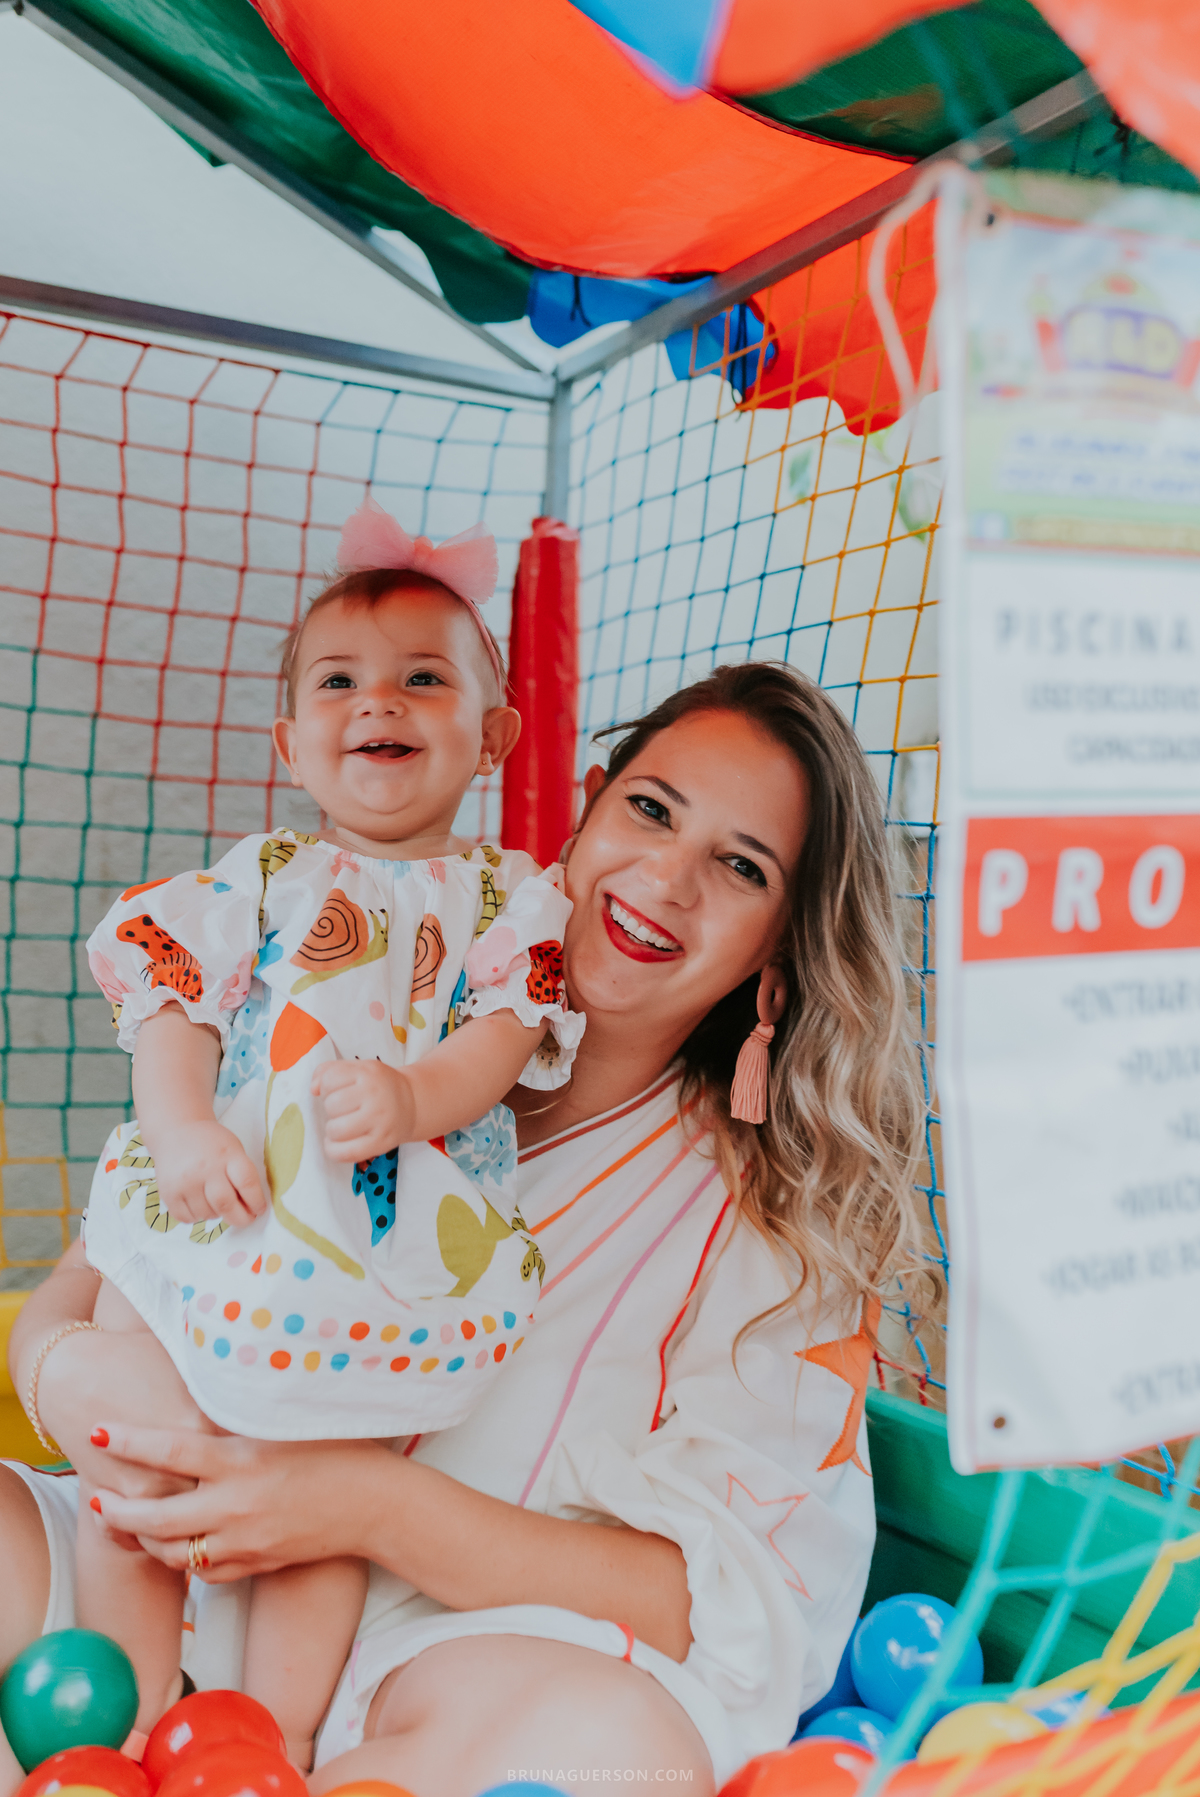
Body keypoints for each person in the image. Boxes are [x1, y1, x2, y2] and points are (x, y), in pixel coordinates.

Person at [2, 662, 931, 1797]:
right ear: (586, 803)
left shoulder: (779, 1231)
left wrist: (365, 1509)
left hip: (438, 1657)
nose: (666, 880)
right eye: (650, 810)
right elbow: (99, 1267)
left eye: (740, 868)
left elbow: (731, 1596)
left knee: (610, 1742)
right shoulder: (378, 967)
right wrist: (78, 1388)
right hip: (150, 1559)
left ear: (778, 950)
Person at [37, 498, 585, 1764]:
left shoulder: (511, 897)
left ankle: (264, 1744)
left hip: (370, 1264)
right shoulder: (266, 877)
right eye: (339, 682)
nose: (376, 703)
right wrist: (176, 1128)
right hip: (221, 1211)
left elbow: (499, 1046)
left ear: (494, 736)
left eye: (421, 680)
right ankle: (128, 1715)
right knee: (142, 1447)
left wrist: (413, 1098)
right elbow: (173, 999)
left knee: (328, 1499)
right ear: (292, 742)